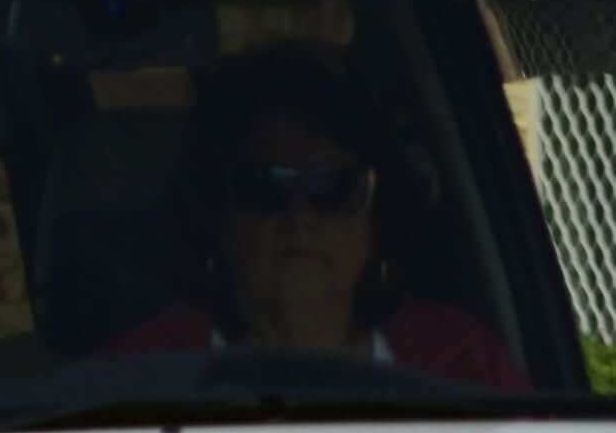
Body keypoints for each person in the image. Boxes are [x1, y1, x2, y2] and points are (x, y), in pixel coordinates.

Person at [110, 44, 524, 387]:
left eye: (334, 188)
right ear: (214, 212)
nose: (300, 216)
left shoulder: (462, 361)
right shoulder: (135, 380)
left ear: (376, 218)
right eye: (263, 187)